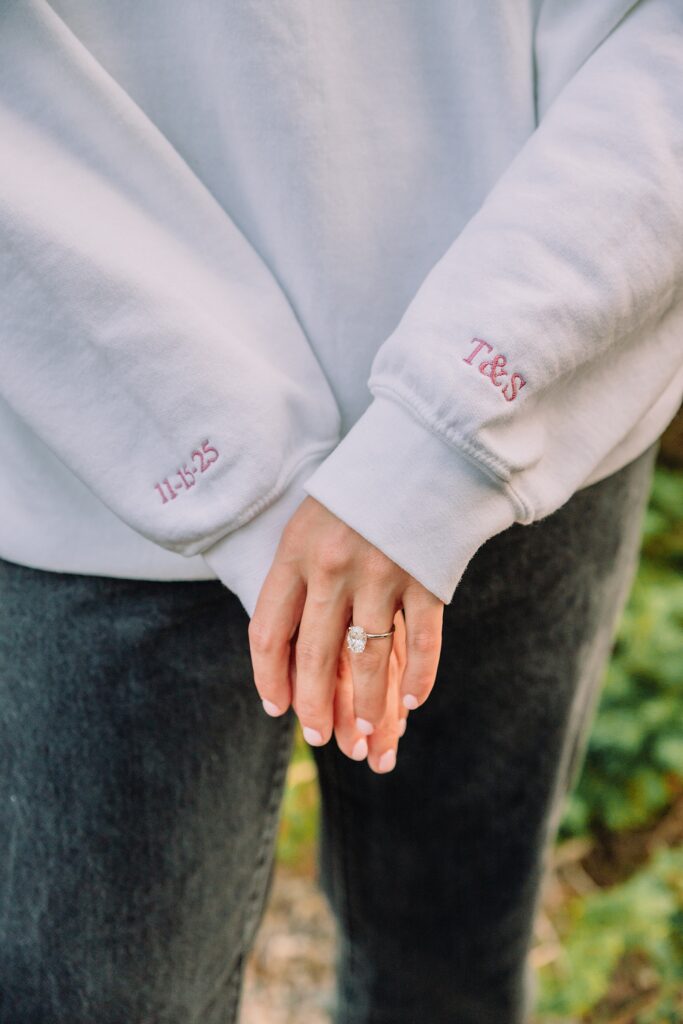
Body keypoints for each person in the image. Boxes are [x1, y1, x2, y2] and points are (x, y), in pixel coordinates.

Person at [0, 0, 681, 1020]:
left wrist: (438, 440)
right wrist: (234, 462)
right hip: (101, 481)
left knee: (451, 972)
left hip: (539, 390)